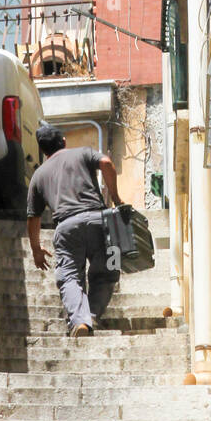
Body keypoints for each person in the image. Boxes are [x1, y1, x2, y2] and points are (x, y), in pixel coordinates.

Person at [26, 125, 122, 338]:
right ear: (64, 141)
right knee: (107, 272)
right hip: (99, 221)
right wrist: (115, 198)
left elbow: (33, 216)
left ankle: (81, 321)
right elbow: (106, 163)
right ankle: (93, 314)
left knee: (69, 278)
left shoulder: (38, 175)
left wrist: (36, 249)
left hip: (66, 228)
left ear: (43, 151)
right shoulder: (83, 152)